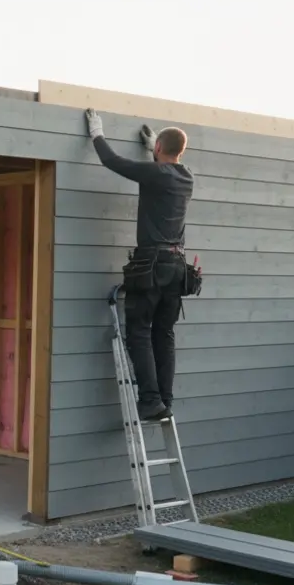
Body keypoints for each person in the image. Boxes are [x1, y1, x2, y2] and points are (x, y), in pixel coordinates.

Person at [85, 108, 194, 421]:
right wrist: (153, 149)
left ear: (159, 148)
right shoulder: (186, 176)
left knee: (139, 332)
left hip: (151, 266)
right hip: (176, 266)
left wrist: (97, 134)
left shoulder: (156, 174)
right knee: (164, 333)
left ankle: (149, 400)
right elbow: (164, 168)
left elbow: (113, 162)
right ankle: (165, 401)